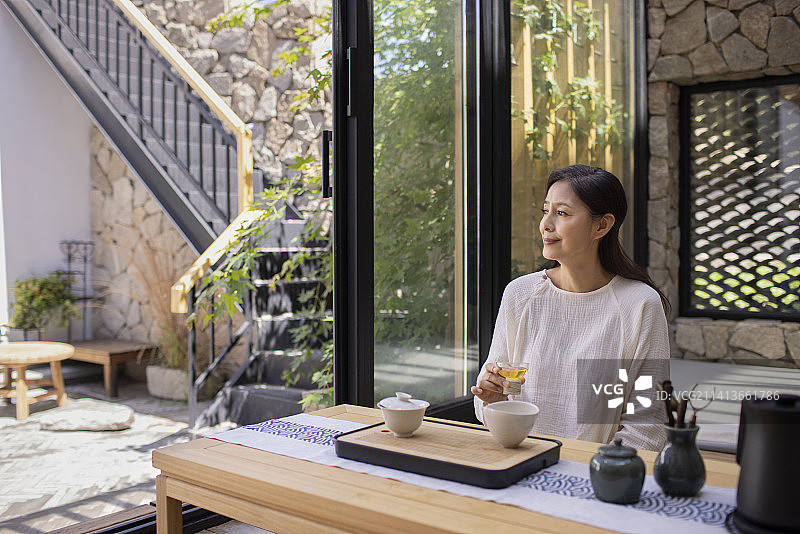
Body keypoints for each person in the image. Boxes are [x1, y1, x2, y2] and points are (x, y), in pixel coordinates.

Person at [471, 164, 670, 451]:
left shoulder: (639, 305)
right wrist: (494, 400)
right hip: (521, 460)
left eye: (562, 213)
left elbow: (648, 425)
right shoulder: (521, 294)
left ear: (602, 226)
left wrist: (599, 467)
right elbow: (494, 400)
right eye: (545, 211)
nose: (546, 224)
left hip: (599, 469)